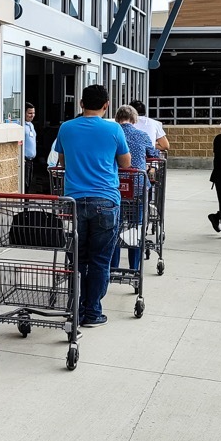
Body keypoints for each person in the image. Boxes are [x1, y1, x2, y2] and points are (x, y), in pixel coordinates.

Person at [50, 85, 130, 327]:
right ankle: (92, 311)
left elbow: (62, 161)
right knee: (99, 259)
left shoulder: (66, 128)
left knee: (77, 257)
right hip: (105, 200)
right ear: (106, 105)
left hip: (73, 201)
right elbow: (126, 163)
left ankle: (76, 306)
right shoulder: (114, 128)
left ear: (81, 103)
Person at [111, 105, 153, 272]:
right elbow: (152, 153)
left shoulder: (112, 134)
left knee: (115, 226)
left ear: (117, 118)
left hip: (115, 186)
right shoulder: (141, 135)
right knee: (136, 227)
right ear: (134, 119)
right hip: (137, 185)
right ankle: (134, 268)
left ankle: (113, 267)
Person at [23, 103, 37, 190]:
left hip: (31, 160)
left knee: (29, 182)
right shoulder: (21, 125)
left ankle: (27, 202)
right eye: (29, 113)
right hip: (24, 160)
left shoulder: (31, 125)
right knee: (25, 183)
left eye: (33, 113)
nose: (32, 115)